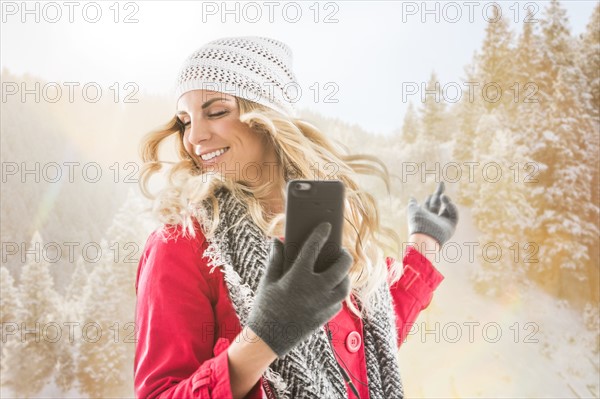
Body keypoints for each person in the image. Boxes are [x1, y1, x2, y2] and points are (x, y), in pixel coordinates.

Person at [134, 36, 458, 399]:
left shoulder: (327, 217)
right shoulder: (183, 243)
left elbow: (361, 355)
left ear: (266, 118)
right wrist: (265, 337)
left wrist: (424, 246)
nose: (194, 137)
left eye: (216, 111)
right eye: (185, 121)